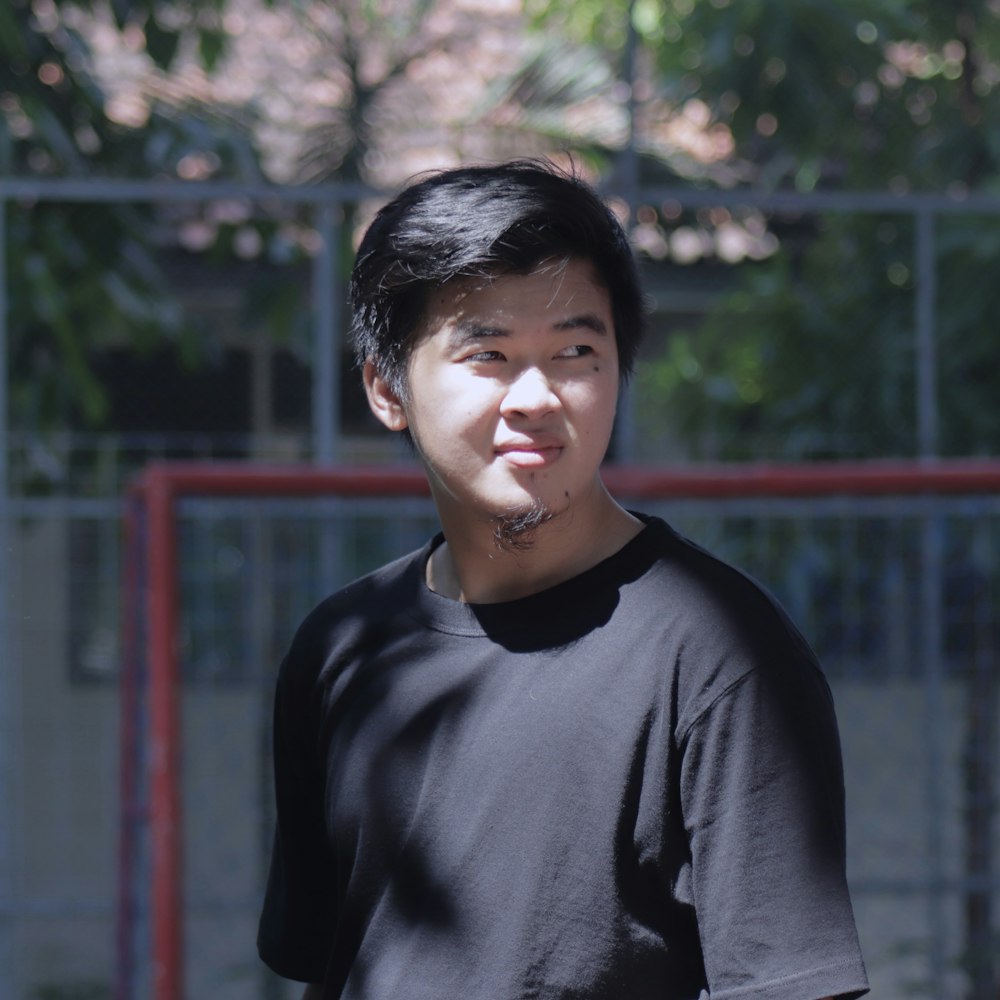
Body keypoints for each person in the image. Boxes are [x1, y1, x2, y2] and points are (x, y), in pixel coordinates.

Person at [257, 160, 870, 1000]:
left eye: (577, 351)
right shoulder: (340, 650)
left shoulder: (721, 657)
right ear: (384, 388)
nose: (537, 397)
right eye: (489, 354)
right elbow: (336, 966)